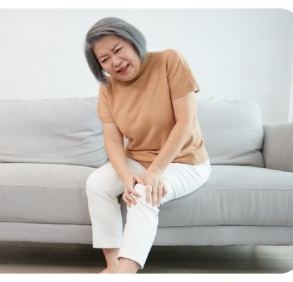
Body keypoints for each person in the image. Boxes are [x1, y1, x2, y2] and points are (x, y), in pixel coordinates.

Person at [84, 17, 211, 274]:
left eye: (118, 49)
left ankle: (125, 274)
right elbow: (112, 139)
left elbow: (186, 121)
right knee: (96, 184)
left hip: (183, 160)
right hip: (138, 157)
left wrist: (155, 171)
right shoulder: (108, 87)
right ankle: (113, 265)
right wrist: (125, 174)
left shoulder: (168, 61)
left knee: (144, 193)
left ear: (133, 41)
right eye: (104, 59)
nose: (115, 62)